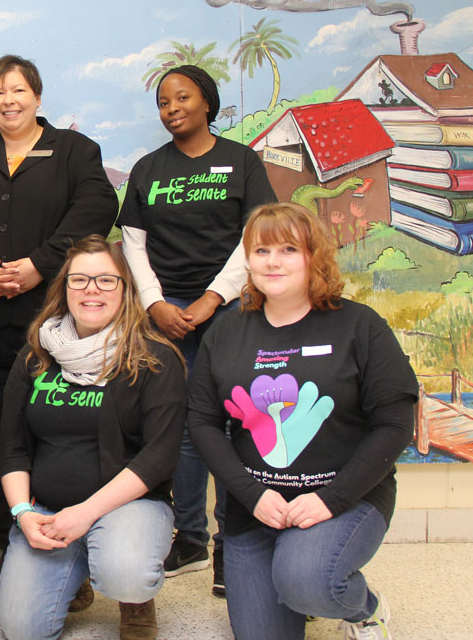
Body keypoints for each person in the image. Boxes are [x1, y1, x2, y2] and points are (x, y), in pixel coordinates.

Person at [0, 54, 119, 582]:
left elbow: (97, 208)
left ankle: (71, 538)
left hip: (56, 321)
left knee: (59, 429)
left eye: (18, 90)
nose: (8, 101)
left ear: (37, 97)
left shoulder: (76, 152)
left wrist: (40, 264)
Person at [187, 202, 417, 640]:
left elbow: (394, 424)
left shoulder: (359, 326)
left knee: (307, 582)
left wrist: (330, 499)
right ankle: (291, 575)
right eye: (260, 251)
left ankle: (363, 609)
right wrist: (252, 494)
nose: (272, 262)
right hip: (256, 508)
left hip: (342, 499)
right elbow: (202, 422)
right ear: (247, 261)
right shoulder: (226, 331)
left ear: (314, 255)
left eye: (288, 249)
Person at [117, 64, 277, 593]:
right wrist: (155, 303)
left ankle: (234, 544)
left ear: (206, 102)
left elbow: (256, 236)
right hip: (165, 313)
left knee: (235, 424)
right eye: (163, 102)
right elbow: (134, 246)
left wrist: (214, 298)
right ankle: (189, 538)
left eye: (182, 98)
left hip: (230, 309)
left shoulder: (240, 162)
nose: (172, 109)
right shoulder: (148, 168)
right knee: (180, 427)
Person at [0, 235, 186, 640]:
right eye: (79, 280)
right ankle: (76, 571)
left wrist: (84, 514)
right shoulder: (36, 356)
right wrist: (23, 515)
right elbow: (11, 448)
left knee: (125, 573)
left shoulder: (154, 358)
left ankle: (133, 595)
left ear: (126, 289)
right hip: (48, 511)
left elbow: (160, 456)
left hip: (129, 507)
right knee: (21, 630)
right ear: (64, 289)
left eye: (105, 280)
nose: (91, 290)